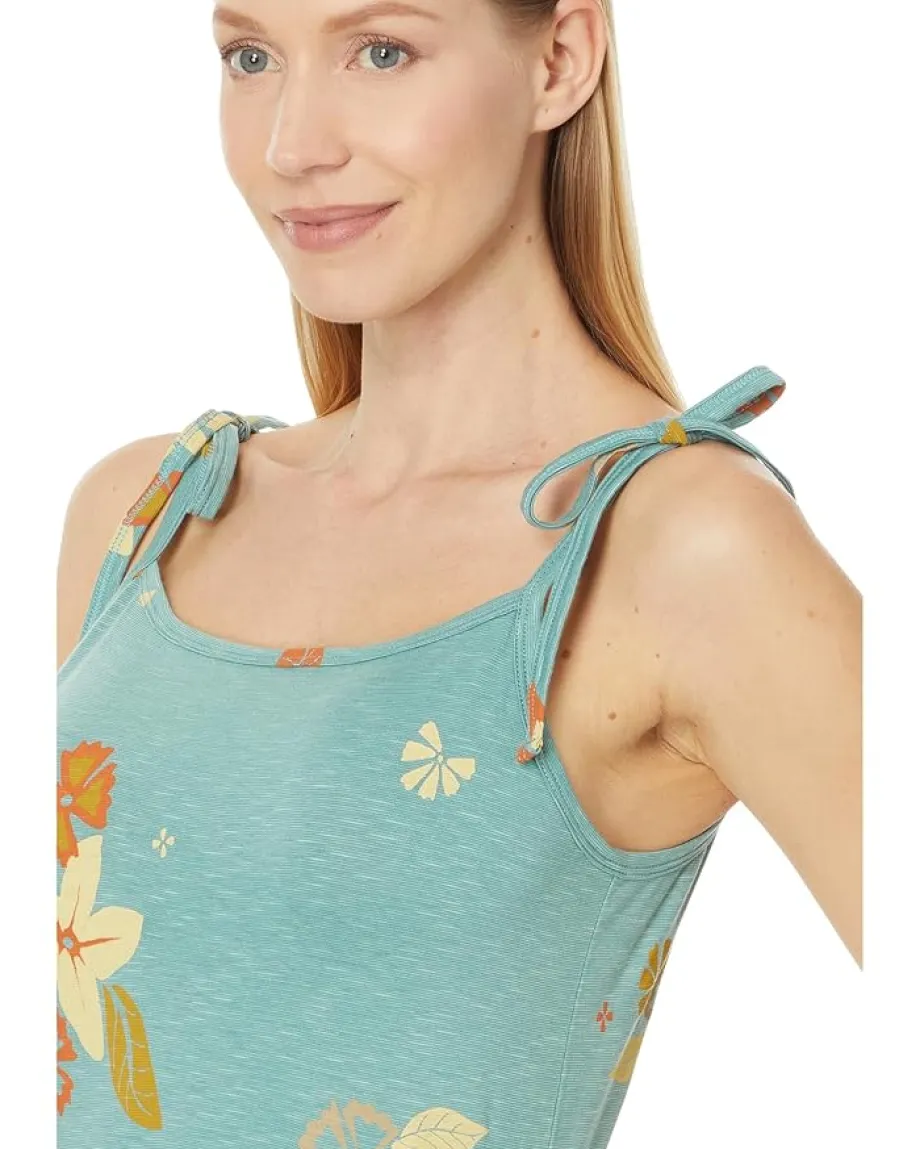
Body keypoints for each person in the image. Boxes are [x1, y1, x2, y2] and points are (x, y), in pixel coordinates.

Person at [55, 1, 862, 1145]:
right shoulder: (143, 517)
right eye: (250, 56)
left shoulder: (678, 549)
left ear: (558, 60)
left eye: (381, 51)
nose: (291, 143)